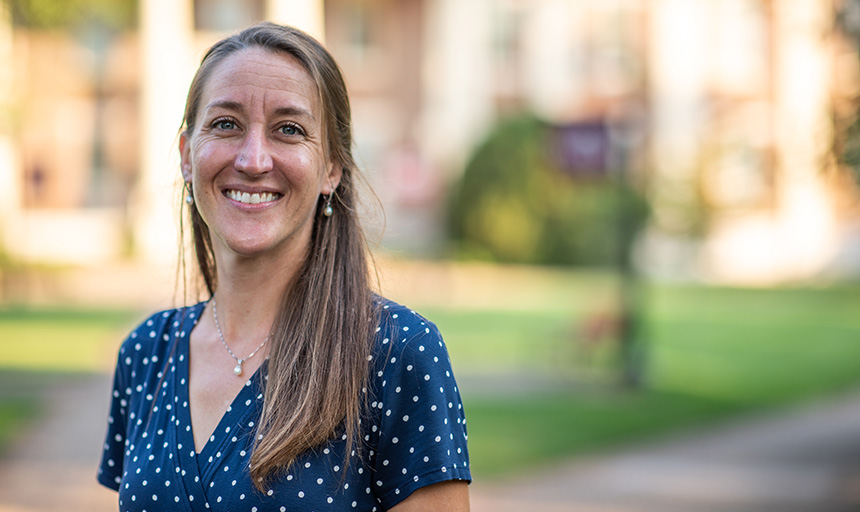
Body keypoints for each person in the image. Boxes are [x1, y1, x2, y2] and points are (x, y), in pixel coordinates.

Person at [97, 22, 470, 511]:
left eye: (288, 130)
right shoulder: (146, 354)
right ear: (188, 156)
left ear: (332, 168)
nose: (253, 160)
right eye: (226, 124)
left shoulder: (396, 354)